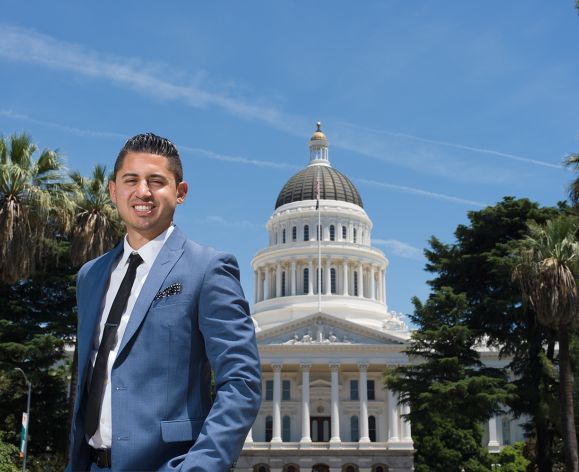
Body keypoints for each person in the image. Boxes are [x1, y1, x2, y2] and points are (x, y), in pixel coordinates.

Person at [67, 133, 261, 471]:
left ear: (180, 192)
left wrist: (199, 467)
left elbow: (242, 382)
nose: (143, 192)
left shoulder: (207, 269)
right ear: (114, 191)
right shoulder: (90, 275)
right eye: (131, 180)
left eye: (156, 181)